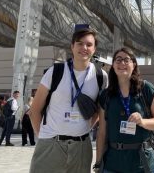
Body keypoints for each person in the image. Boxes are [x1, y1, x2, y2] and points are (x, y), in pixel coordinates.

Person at [29, 27, 108, 173]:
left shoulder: (100, 76)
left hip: (81, 147)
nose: (84, 48)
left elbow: (99, 110)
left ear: (95, 48)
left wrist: (85, 127)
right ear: (72, 46)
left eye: (89, 44)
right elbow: (35, 110)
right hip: (51, 144)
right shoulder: (55, 71)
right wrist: (43, 137)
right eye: (79, 43)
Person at [95, 47, 154, 173]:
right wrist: (98, 163)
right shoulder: (106, 95)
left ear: (133, 64)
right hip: (113, 163)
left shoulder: (146, 89)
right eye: (118, 60)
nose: (122, 63)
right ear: (113, 65)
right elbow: (101, 133)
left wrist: (142, 122)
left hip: (142, 163)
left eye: (126, 60)